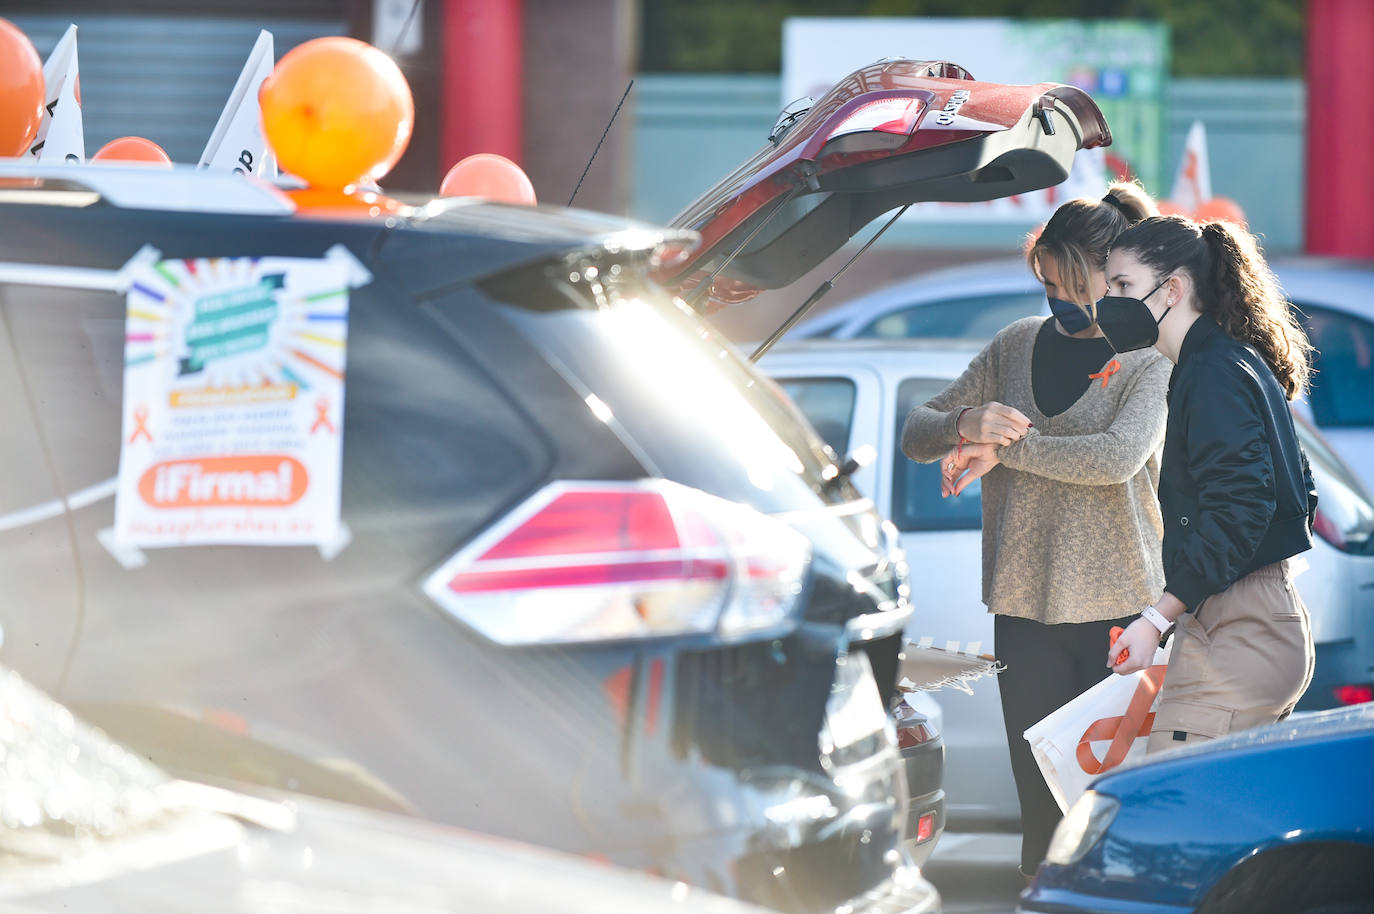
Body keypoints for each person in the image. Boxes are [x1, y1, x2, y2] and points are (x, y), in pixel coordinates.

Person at [900, 183, 1169, 876]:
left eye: (1065, 284)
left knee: (1110, 805)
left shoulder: (1148, 359)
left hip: (1120, 610)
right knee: (1039, 805)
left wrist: (1007, 448)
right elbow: (916, 431)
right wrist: (967, 425)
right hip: (1023, 607)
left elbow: (1115, 460)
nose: (1051, 296)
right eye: (1043, 280)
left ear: (1107, 280)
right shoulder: (1014, 344)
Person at [1097, 215, 1317, 752]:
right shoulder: (1223, 359)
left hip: (1240, 630)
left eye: (1123, 286)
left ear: (1173, 289)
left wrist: (1156, 617)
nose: (1109, 303)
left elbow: (1242, 505)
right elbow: (1294, 492)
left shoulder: (1213, 369)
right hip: (1245, 622)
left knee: (1175, 817)